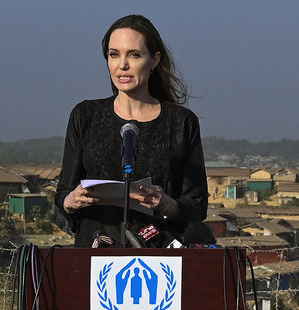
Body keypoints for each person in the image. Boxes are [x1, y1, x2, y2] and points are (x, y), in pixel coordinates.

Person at [54, 14, 208, 247]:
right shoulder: (85, 115)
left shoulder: (181, 122)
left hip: (159, 260)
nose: (122, 65)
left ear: (154, 60)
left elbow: (196, 203)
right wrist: (70, 201)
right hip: (94, 256)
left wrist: (166, 203)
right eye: (114, 54)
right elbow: (63, 193)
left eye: (134, 55)